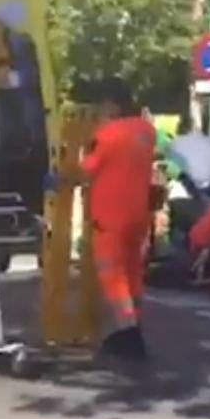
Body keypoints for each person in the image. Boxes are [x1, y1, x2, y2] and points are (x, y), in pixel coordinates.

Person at [79, 76, 157, 360]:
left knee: (114, 279)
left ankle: (129, 333)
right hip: (138, 215)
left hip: (109, 218)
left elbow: (85, 169)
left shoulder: (107, 134)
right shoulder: (146, 131)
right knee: (133, 275)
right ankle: (134, 329)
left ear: (111, 105)